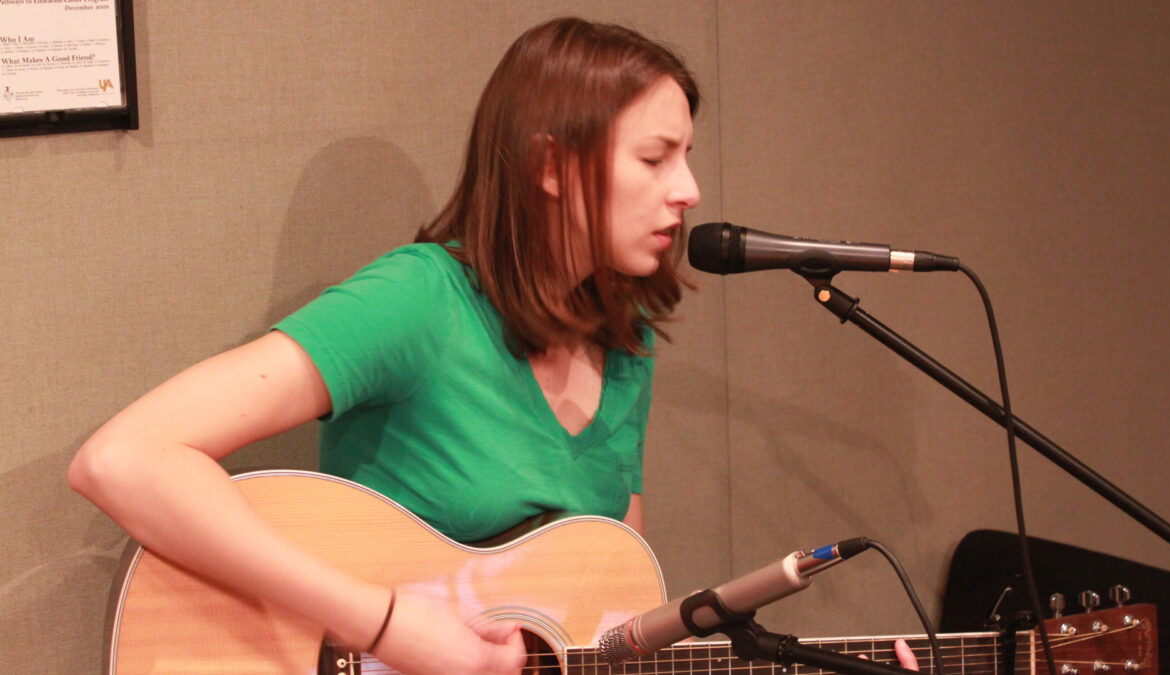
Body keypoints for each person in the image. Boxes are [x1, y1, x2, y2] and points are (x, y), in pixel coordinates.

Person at [70, 16, 919, 674]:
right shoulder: (420, 302)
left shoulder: (626, 348)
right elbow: (123, 459)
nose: (689, 190)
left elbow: (606, 625)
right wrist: (387, 624)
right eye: (656, 158)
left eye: (687, 157)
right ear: (551, 166)